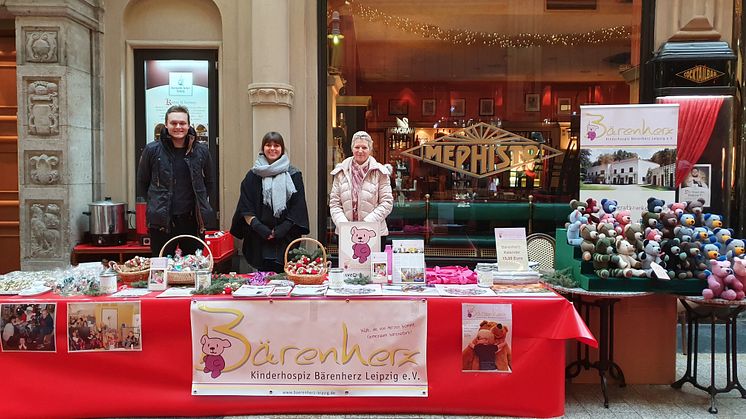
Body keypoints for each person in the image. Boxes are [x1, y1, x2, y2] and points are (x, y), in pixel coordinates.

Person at [137, 105, 216, 257]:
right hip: (161, 221)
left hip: (193, 220)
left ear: (188, 125)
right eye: (173, 123)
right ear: (166, 125)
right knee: (161, 266)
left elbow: (210, 182)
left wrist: (205, 205)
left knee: (194, 264)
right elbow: (142, 182)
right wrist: (155, 204)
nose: (178, 127)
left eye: (182, 123)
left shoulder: (201, 151)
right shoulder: (152, 150)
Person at [230, 132, 310, 273]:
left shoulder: (294, 174)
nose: (272, 148)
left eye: (276, 145)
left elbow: (298, 206)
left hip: (286, 237)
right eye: (268, 145)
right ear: (263, 148)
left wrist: (283, 228)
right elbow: (245, 205)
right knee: (261, 278)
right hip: (258, 238)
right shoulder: (252, 175)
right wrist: (260, 228)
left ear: (282, 149)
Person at [329, 130, 393, 240]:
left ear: (370, 150)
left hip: (374, 232)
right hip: (346, 234)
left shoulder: (380, 172)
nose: (360, 151)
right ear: (352, 148)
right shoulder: (341, 171)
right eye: (357, 147)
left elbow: (387, 203)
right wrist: (344, 225)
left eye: (364, 147)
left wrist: (366, 224)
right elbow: (334, 203)